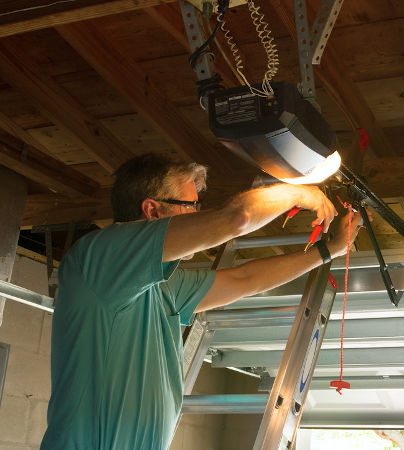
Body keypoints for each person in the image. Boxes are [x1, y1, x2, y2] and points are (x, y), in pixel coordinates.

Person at [40, 153, 362, 449]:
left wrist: (328, 251)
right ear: (153, 210)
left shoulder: (164, 284)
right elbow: (235, 218)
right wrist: (298, 192)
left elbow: (243, 280)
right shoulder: (100, 259)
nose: (196, 214)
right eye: (189, 205)